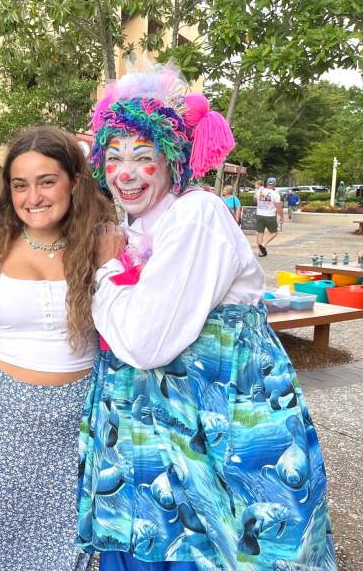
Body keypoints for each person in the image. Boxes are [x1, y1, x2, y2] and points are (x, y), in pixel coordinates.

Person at [77, 65, 335, 570]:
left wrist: (105, 269)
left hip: (218, 427)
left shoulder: (197, 216)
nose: (125, 172)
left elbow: (146, 343)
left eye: (143, 157)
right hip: (152, 440)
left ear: (172, 162)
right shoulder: (132, 227)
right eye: (113, 158)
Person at [0, 126, 113, 570]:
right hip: (6, 414)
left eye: (46, 181)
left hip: (80, 413)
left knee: (71, 530)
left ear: (73, 183)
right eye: (20, 184)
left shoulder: (103, 244)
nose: (33, 196)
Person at [255, 177, 283, 257]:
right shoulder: (275, 194)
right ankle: (263, 244)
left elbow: (255, 200)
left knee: (260, 233)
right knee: (274, 232)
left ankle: (261, 252)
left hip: (259, 214)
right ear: (274, 185)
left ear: (266, 183)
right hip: (270, 215)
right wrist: (281, 216)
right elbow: (278, 207)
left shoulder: (259, 192)